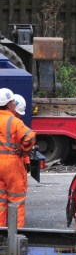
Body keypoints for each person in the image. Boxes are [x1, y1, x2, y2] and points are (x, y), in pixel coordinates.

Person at [0, 87, 34, 228]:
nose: (15, 102)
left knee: (1, 200)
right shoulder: (13, 121)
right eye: (13, 101)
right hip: (12, 164)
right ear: (9, 104)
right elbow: (30, 137)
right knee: (17, 199)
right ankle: (16, 234)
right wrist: (23, 150)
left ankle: (1, 232)